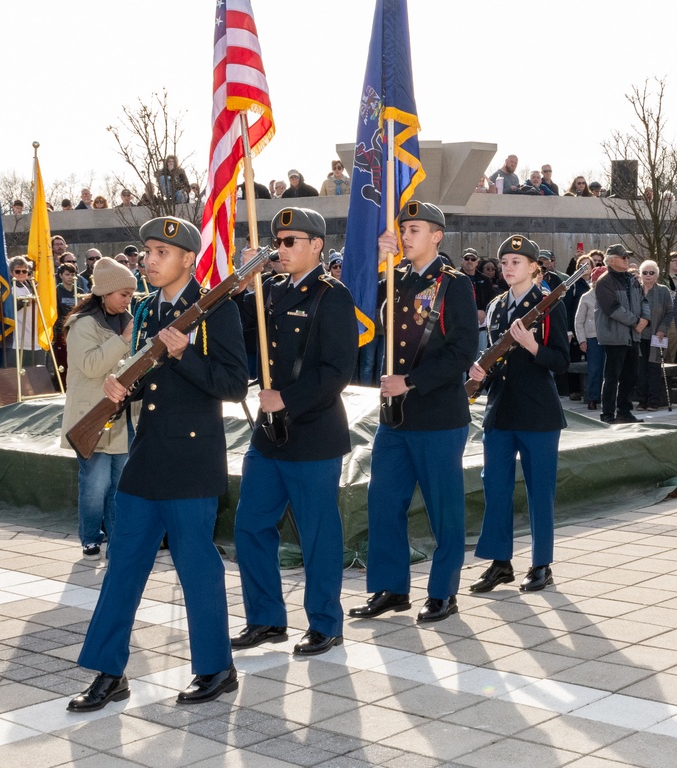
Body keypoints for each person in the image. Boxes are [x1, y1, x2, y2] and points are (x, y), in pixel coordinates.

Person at [67, 216, 248, 712]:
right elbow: (152, 378)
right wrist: (124, 387)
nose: (149, 260)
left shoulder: (217, 309)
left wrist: (186, 352)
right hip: (147, 456)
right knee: (123, 565)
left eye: (161, 252)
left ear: (188, 258)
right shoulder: (146, 310)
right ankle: (109, 671)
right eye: (147, 251)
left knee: (196, 567)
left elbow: (234, 384)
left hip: (192, 459)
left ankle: (216, 668)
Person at [231, 207, 358, 656]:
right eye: (277, 242)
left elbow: (338, 369)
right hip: (269, 435)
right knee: (250, 526)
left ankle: (325, 622)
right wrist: (243, 285)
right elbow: (241, 332)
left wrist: (289, 399)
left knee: (317, 533)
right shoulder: (269, 294)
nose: (280, 250)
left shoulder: (332, 296)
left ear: (316, 245)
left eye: (290, 242)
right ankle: (266, 619)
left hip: (312, 433)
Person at [348, 201, 477, 623]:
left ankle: (442, 592)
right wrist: (381, 262)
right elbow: (375, 315)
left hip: (437, 414)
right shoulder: (397, 277)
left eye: (415, 229)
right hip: (395, 417)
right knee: (383, 501)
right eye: (404, 229)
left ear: (437, 235)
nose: (406, 236)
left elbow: (462, 351)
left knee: (444, 509)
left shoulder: (453, 284)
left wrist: (412, 382)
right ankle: (391, 588)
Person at [467, 235, 569, 594]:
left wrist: (533, 346)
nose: (509, 268)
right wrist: (480, 372)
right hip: (500, 411)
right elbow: (495, 359)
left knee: (540, 491)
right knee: (495, 486)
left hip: (538, 412)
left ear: (532, 267)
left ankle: (541, 564)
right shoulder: (496, 307)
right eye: (505, 262)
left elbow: (561, 360)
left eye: (516, 262)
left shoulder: (548, 305)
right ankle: (500, 563)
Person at [60, 258, 137, 560]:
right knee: (95, 484)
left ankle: (117, 538)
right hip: (90, 416)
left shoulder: (127, 320)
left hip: (121, 416)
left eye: (131, 294)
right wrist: (123, 340)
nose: (128, 300)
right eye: (123, 294)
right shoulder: (82, 324)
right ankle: (91, 536)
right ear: (104, 292)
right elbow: (92, 366)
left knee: (119, 483)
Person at [595, 243, 650, 424]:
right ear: (612, 260)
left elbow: (644, 300)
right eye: (623, 257)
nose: (627, 260)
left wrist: (645, 319)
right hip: (614, 337)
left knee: (630, 376)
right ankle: (608, 414)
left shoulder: (633, 279)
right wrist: (636, 322)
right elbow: (612, 309)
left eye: (627, 257)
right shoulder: (604, 282)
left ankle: (625, 412)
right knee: (612, 377)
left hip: (632, 336)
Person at [634, 259, 674, 411]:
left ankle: (654, 401)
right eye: (645, 272)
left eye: (652, 273)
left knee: (654, 369)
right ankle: (642, 400)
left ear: (656, 275)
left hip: (657, 336)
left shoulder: (663, 291)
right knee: (640, 370)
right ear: (640, 274)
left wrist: (662, 330)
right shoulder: (635, 289)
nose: (648, 275)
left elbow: (669, 313)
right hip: (638, 336)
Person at [576, 264, 607, 410]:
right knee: (594, 369)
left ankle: (608, 398)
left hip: (610, 338)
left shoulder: (612, 295)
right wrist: (582, 339)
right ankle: (593, 398)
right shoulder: (586, 297)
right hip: (592, 338)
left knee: (609, 370)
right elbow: (579, 321)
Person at [53, 262, 79, 380]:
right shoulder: (56, 291)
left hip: (77, 330)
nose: (70, 277)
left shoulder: (79, 291)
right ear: (60, 275)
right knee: (62, 361)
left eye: (72, 274)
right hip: (62, 330)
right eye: (67, 274)